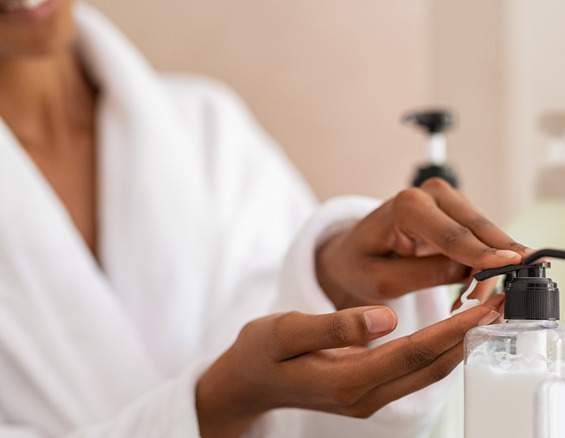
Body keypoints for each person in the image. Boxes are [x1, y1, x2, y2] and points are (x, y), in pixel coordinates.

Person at [0, 1, 532, 437]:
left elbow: (275, 316)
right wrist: (220, 402)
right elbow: (240, 374)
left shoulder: (207, 129)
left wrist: (330, 281)